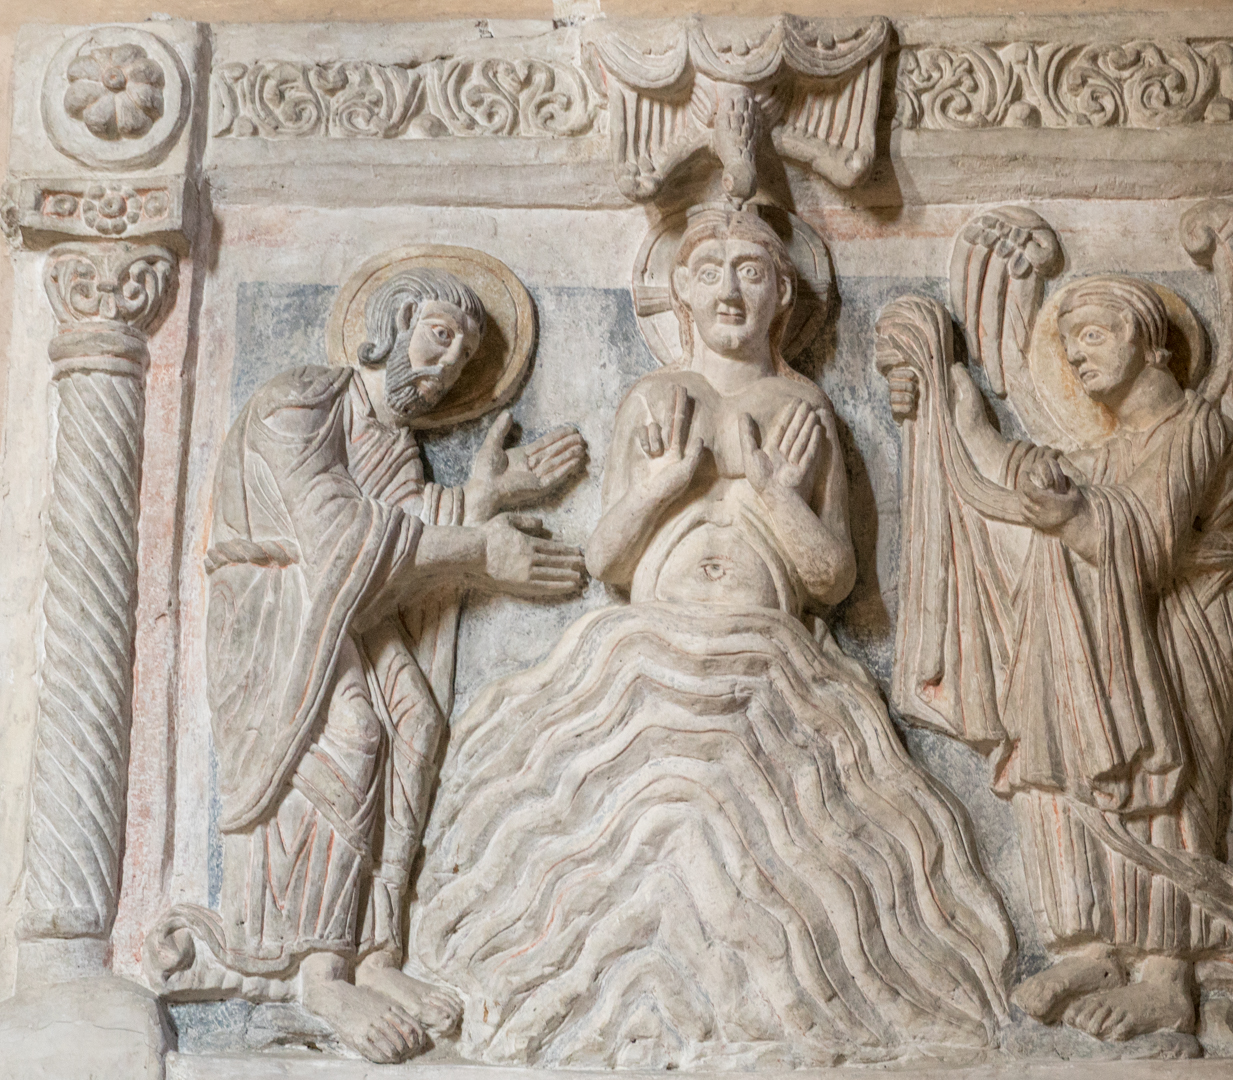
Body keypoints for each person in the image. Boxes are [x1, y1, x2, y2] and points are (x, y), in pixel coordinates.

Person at [410, 207, 1014, 1069]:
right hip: (647, 651)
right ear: (680, 294)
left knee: (786, 867)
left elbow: (832, 578)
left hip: (769, 660)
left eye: (753, 272)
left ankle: (767, 1011)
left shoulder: (805, 409)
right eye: (709, 271)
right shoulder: (654, 400)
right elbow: (609, 561)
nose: (731, 289)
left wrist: (770, 491)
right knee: (586, 835)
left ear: (785, 296)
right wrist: (665, 483)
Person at [149, 267, 587, 1064]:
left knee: (415, 722)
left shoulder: (393, 447)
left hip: (340, 610)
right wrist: (480, 551)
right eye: (439, 337)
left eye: (463, 357)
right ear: (392, 322)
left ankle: (377, 952)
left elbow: (403, 529)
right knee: (351, 734)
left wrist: (485, 499)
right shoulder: (297, 404)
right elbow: (340, 535)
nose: (447, 365)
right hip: (276, 608)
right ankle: (319, 974)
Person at [879, 277, 1233, 1043]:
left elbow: (1149, 545)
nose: (1078, 356)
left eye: (1094, 336)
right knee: (1058, 757)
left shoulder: (1197, 429)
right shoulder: (1097, 454)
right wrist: (945, 392)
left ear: (1150, 341)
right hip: (1096, 636)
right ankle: (1092, 950)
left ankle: (1166, 976)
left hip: (1190, 624)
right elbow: (1006, 472)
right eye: (1069, 344)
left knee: (1160, 785)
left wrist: (1067, 515)